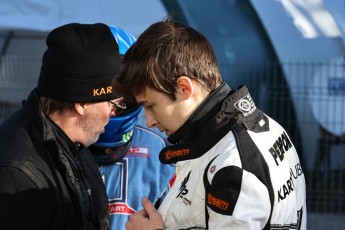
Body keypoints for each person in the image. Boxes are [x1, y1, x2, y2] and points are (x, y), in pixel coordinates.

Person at [114, 18, 307, 230]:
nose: (149, 121)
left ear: (184, 88)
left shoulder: (232, 164)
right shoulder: (261, 127)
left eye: (150, 105)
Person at [0, 23, 125, 230]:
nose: (114, 113)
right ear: (81, 104)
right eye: (114, 104)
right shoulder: (17, 173)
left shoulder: (71, 143)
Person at [88, 25, 176, 230]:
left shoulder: (160, 150)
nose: (115, 103)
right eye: (107, 90)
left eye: (123, 91)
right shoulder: (60, 143)